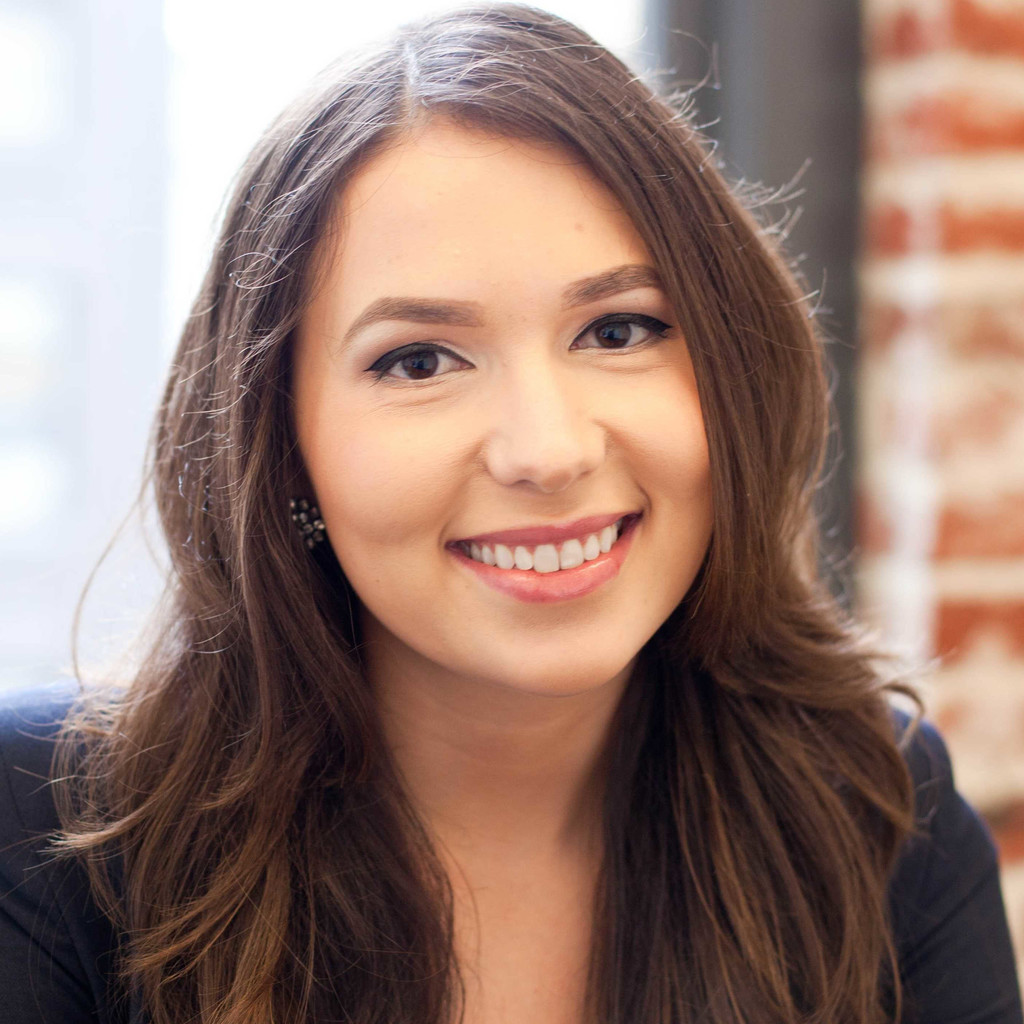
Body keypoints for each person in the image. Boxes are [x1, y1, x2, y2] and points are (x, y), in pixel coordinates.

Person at [1, 5, 1021, 1023]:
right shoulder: (40, 831)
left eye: (618, 329)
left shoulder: (875, 809)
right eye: (418, 360)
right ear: (281, 446)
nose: (548, 450)